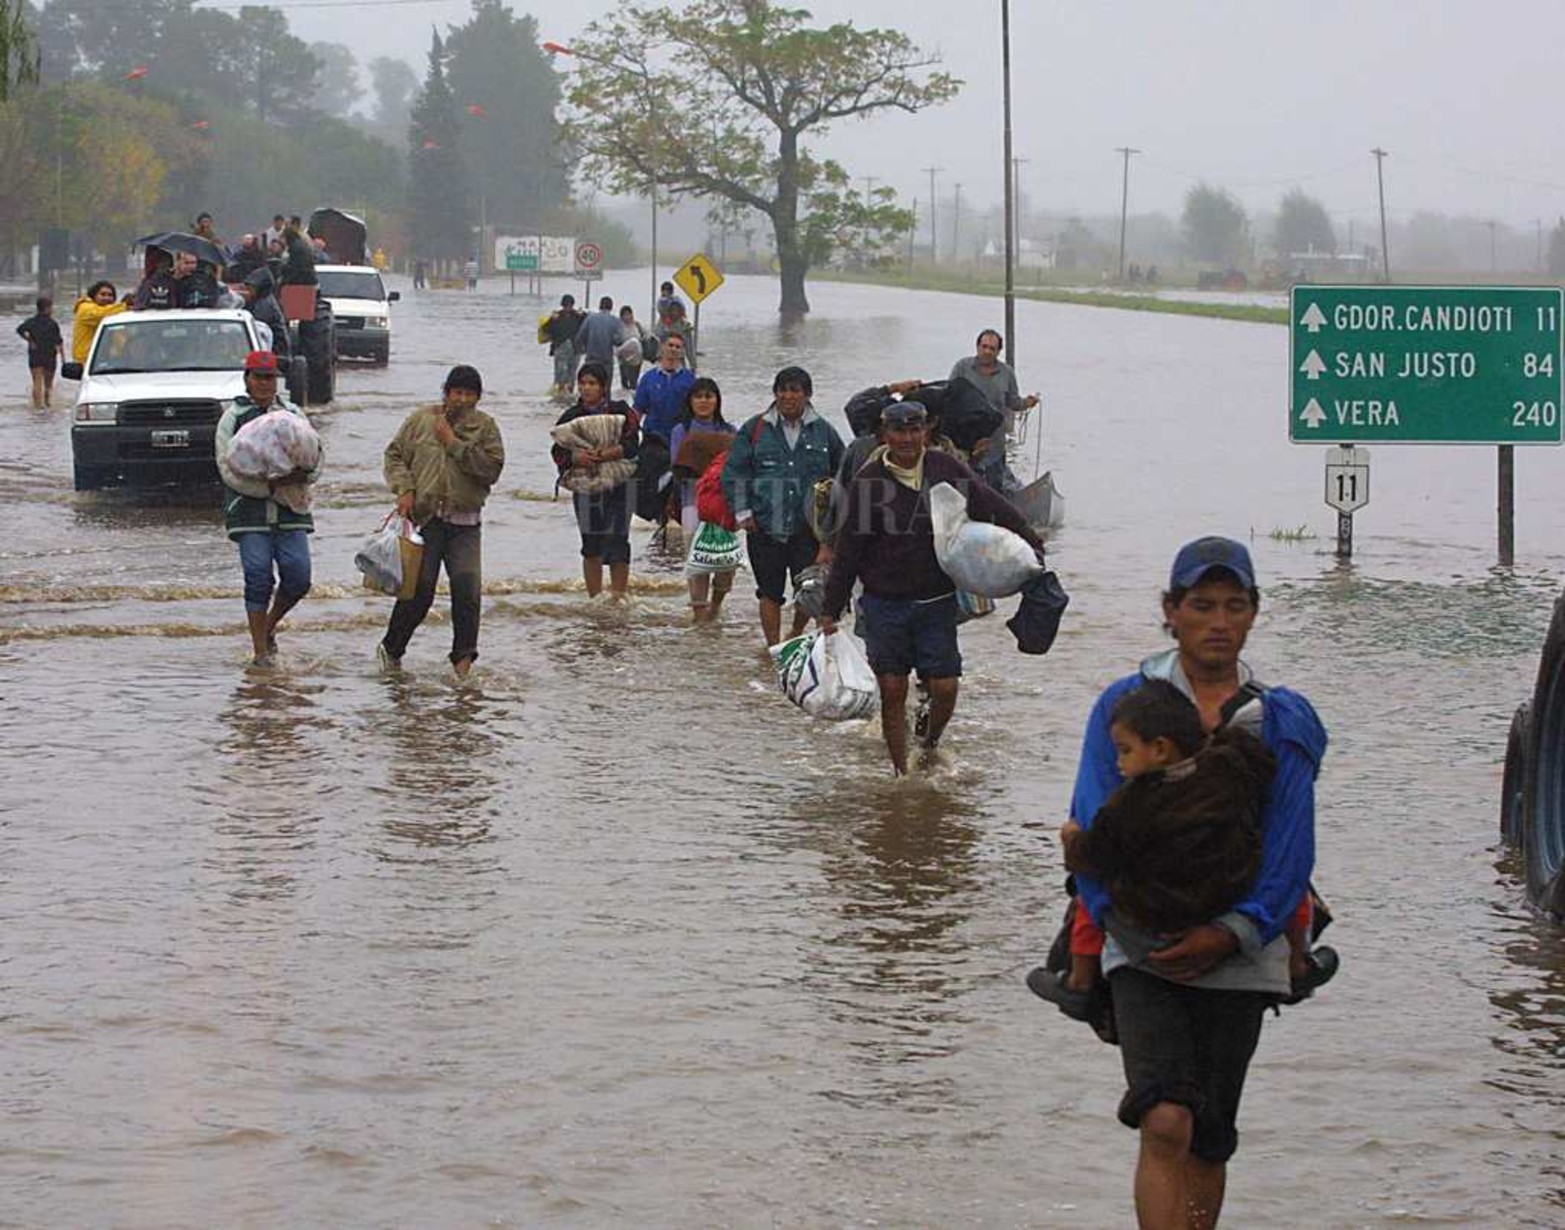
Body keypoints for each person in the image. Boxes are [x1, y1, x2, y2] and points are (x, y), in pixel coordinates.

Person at [1048, 536, 1328, 1230]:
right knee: (1164, 1117)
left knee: (1209, 1132)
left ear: (1254, 615)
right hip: (1138, 942)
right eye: (1201, 605)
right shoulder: (1127, 706)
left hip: (1241, 940)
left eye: (1234, 606)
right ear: (1170, 612)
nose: (1218, 621)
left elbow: (1291, 842)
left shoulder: (1278, 721)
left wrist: (1233, 931)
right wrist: (1120, 922)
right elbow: (1092, 818)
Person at [818, 400, 1042, 774]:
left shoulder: (945, 467)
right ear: (884, 434)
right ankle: (900, 773)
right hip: (884, 604)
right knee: (891, 690)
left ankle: (929, 741)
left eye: (914, 430)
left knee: (946, 687)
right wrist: (831, 607)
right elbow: (849, 549)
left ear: (926, 431)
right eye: (899, 431)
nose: (907, 439)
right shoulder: (869, 481)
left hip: (936, 600)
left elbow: (990, 502)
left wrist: (1029, 540)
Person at [1045, 679, 1274, 1003]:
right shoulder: (1226, 771)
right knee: (1292, 883)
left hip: (1159, 912)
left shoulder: (1133, 804)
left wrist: (1071, 838)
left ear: (1160, 749)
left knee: (1088, 892)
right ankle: (1298, 960)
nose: (1118, 763)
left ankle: (1080, 980)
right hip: (1224, 896)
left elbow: (1095, 852)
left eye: (1125, 750)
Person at [379, 365, 505, 680]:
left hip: (465, 524)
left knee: (467, 591)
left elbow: (491, 469)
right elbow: (394, 456)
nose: (461, 399)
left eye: (468, 394)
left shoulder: (486, 428)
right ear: (446, 392)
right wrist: (405, 489)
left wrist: (453, 444)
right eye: (456, 392)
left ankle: (463, 666)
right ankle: (392, 650)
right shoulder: (421, 421)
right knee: (419, 592)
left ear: (478, 397)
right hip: (426, 521)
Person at [214, 350, 322, 667]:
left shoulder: (293, 414)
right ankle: (260, 652)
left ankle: (268, 627)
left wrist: (305, 476)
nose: (264, 384)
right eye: (258, 377)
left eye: (270, 378)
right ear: (247, 379)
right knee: (258, 576)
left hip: (292, 510)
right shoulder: (232, 418)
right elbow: (227, 467)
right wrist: (268, 488)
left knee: (299, 577)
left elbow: (316, 454)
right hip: (248, 513)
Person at [722, 366, 844, 647]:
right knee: (768, 591)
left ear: (808, 395)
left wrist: (833, 528)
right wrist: (743, 512)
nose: (788, 396)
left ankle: (796, 635)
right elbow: (735, 472)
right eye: (782, 390)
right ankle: (773, 647)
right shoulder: (754, 429)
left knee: (810, 589)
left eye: (795, 390)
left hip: (808, 528)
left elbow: (842, 476)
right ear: (775, 393)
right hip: (764, 525)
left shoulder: (824, 432)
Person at [551, 360, 640, 600]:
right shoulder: (571, 416)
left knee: (619, 540)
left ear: (604, 386)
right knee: (591, 542)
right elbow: (557, 452)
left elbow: (633, 444)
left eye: (592, 383)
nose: (586, 388)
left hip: (623, 483)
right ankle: (595, 599)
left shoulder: (621, 411)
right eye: (582, 383)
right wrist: (576, 457)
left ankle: (619, 598)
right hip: (586, 485)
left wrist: (609, 454)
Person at [669, 377, 736, 622]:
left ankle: (716, 606)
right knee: (697, 561)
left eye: (709, 396)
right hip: (692, 503)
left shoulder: (730, 431)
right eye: (698, 396)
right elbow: (678, 466)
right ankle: (699, 613)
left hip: (724, 507)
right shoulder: (681, 431)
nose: (704, 401)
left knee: (725, 563)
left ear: (717, 400)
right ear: (690, 401)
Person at [948, 329, 1039, 494]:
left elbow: (1013, 402)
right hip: (965, 439)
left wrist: (1027, 403)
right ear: (977, 347)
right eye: (984, 347)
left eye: (992, 348)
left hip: (994, 442)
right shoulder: (962, 367)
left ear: (998, 351)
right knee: (963, 484)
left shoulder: (1007, 373)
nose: (987, 351)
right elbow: (949, 396)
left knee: (994, 486)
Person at [632, 334, 695, 445]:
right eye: (670, 345)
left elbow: (697, 411)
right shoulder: (648, 378)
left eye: (678, 347)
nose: (673, 349)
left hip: (681, 438)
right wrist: (630, 433)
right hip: (652, 437)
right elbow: (638, 410)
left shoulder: (690, 379)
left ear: (682, 352)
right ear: (662, 347)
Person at [16, 297, 65, 408]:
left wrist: (29, 340)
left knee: (37, 382)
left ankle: (37, 407)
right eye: (51, 307)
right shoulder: (52, 324)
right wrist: (63, 358)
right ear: (47, 308)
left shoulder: (31, 322)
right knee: (48, 384)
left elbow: (19, 330)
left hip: (35, 354)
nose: (52, 309)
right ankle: (47, 405)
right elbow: (59, 341)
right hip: (49, 355)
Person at [239, 268, 292, 361]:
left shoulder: (266, 305)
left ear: (261, 287)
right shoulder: (257, 301)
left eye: (252, 287)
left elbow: (254, 325)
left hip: (276, 353)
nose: (249, 290)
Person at [71, 281, 128, 364]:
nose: (107, 298)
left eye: (110, 295)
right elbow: (99, 314)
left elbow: (120, 343)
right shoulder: (84, 308)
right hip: (86, 363)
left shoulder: (114, 314)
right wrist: (125, 306)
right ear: (93, 296)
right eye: (103, 294)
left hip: (109, 362)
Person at [543, 294, 585, 397]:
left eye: (570, 305)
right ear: (562, 305)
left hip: (575, 349)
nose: (568, 308)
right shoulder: (556, 317)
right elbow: (546, 329)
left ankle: (569, 393)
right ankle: (559, 392)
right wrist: (551, 319)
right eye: (566, 305)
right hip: (560, 348)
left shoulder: (578, 316)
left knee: (572, 373)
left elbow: (587, 324)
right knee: (561, 372)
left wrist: (583, 314)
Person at [574, 295, 625, 370]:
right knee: (605, 381)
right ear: (611, 307)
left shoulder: (590, 319)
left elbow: (579, 337)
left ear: (600, 306)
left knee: (593, 380)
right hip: (606, 361)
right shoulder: (615, 321)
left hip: (591, 359)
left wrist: (584, 348)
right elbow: (619, 341)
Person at [616, 304, 651, 391]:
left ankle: (633, 398)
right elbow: (615, 341)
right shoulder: (619, 327)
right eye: (624, 315)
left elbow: (647, 335)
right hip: (624, 359)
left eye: (628, 314)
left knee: (633, 382)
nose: (627, 317)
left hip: (637, 358)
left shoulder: (637, 325)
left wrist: (643, 340)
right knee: (625, 383)